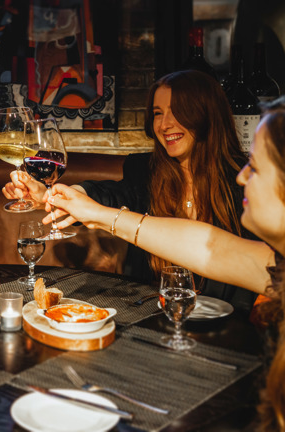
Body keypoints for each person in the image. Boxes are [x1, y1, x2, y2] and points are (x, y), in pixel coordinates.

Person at [42, 98, 285, 431]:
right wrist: (95, 212)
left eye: (255, 167)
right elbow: (208, 247)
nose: (242, 177)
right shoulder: (276, 266)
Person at [3, 70, 256, 312]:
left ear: (207, 114)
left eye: (178, 111)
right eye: (158, 113)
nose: (165, 124)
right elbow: (110, 194)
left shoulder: (246, 181)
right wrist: (54, 194)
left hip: (232, 323)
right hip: (155, 317)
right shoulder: (145, 170)